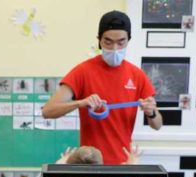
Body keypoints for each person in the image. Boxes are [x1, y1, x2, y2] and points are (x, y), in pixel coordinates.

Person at [41, 10, 162, 164]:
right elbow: (47, 111)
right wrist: (81, 102)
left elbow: (157, 125)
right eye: (108, 41)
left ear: (128, 41)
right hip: (89, 165)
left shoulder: (137, 76)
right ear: (99, 40)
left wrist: (151, 113)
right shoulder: (83, 71)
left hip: (122, 165)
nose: (114, 48)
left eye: (121, 42)